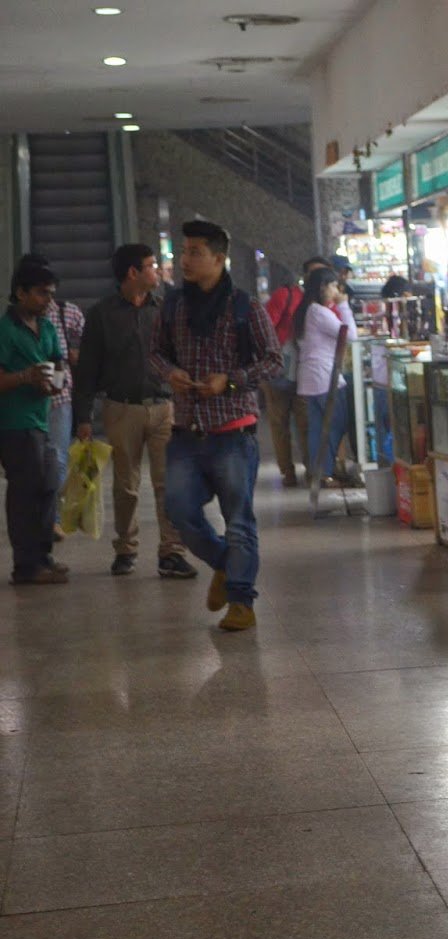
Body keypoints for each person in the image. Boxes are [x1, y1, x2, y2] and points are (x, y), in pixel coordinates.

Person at [148, 220, 282, 632]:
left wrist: (232, 380)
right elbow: (154, 353)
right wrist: (169, 372)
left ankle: (241, 600)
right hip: (186, 431)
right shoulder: (172, 306)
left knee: (239, 518)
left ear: (219, 259)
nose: (184, 260)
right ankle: (225, 563)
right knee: (179, 511)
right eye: (182, 252)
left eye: (194, 253)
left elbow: (274, 361)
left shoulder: (245, 307)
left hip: (233, 432)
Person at [74, 243, 197, 580]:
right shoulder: (101, 315)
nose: (157, 271)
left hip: (163, 406)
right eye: (151, 265)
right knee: (126, 485)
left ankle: (171, 551)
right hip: (121, 408)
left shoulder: (166, 309)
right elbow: (86, 369)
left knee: (167, 483)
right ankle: (125, 548)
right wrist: (83, 417)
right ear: (133, 273)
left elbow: (180, 353)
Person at [0, 261, 69, 585]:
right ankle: (25, 565)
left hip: (43, 419)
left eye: (51, 295)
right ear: (20, 293)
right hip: (14, 423)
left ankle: (43, 556)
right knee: (25, 491)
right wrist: (25, 377)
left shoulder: (48, 328)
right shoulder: (6, 331)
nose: (48, 301)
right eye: (42, 294)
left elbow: (58, 363)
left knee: (47, 486)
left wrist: (55, 382)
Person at [19, 254, 84, 539]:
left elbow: (82, 350)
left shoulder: (67, 313)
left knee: (56, 458)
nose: (45, 297)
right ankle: (35, 517)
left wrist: (73, 360)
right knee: (31, 463)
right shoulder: (13, 325)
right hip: (25, 400)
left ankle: (52, 519)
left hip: (58, 399)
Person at [262, 257, 325, 486]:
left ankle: (311, 470)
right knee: (280, 424)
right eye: (317, 275)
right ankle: (287, 472)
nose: (323, 281)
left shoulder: (320, 303)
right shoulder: (286, 295)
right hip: (279, 371)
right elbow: (264, 327)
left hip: (305, 372)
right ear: (306, 276)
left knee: (306, 422)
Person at [291, 266, 350, 507]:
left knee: (318, 428)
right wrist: (344, 306)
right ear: (323, 287)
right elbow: (349, 335)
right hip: (326, 378)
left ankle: (320, 473)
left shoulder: (306, 310)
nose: (337, 290)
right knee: (336, 423)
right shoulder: (319, 312)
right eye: (334, 285)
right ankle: (324, 472)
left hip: (310, 379)